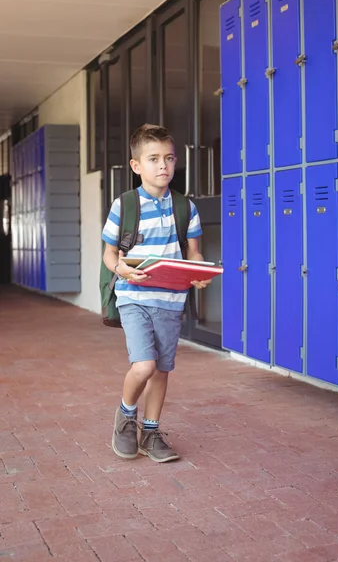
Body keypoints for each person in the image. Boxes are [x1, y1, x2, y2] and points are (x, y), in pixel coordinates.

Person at [102, 124, 211, 463]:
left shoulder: (186, 208)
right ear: (136, 165)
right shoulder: (125, 205)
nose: (163, 165)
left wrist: (199, 272)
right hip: (133, 296)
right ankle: (125, 416)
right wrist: (121, 269)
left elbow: (193, 252)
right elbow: (108, 255)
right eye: (153, 159)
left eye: (169, 158)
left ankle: (150, 432)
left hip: (170, 300)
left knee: (162, 368)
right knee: (145, 365)